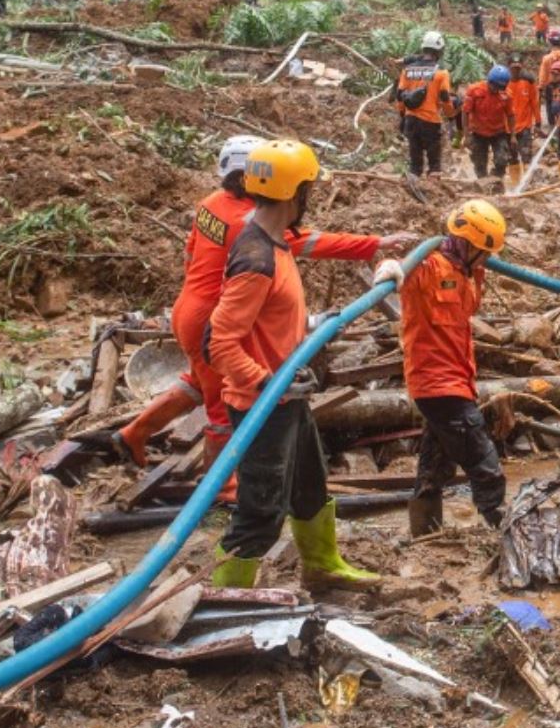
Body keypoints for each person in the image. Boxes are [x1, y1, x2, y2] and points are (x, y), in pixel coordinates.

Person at [102, 138, 413, 491]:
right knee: (221, 404)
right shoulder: (250, 227)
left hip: (188, 306)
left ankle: (134, 433)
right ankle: (223, 485)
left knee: (198, 384)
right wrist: (374, 245)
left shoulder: (211, 205)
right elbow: (309, 242)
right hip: (211, 317)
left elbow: (190, 253)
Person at [206, 141, 383, 591]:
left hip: (287, 393)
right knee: (260, 515)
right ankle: (223, 599)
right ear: (294, 193)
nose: (310, 197)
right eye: (308, 189)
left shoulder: (275, 240)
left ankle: (322, 567)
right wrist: (265, 381)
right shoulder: (257, 260)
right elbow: (219, 342)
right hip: (262, 403)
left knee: (309, 488)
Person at [375, 200, 509, 537]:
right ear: (466, 244)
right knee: (483, 461)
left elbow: (470, 301)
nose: (488, 260)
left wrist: (478, 266)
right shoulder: (429, 267)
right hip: (437, 385)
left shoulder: (468, 273)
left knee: (436, 464)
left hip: (458, 380)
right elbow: (400, 270)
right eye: (484, 253)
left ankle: (424, 534)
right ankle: (506, 527)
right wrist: (390, 264)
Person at [390, 33, 455, 177]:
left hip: (411, 119)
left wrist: (402, 116)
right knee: (434, 164)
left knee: (415, 162)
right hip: (431, 121)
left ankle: (413, 191)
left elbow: (400, 96)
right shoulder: (441, 73)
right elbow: (445, 97)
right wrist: (451, 116)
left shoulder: (407, 70)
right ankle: (435, 194)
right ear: (439, 51)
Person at [461, 65, 515, 179]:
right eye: (494, 86)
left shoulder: (506, 95)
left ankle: (495, 180)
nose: (496, 89)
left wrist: (513, 135)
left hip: (498, 133)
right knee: (479, 164)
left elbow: (510, 115)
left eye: (499, 87)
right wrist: (466, 135)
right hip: (478, 132)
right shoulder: (474, 90)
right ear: (489, 81)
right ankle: (483, 183)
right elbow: (465, 112)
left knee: (502, 160)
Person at [507, 59, 538, 166]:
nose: (516, 70)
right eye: (513, 68)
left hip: (525, 126)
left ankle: (527, 181)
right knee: (511, 159)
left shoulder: (528, 83)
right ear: (509, 68)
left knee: (526, 156)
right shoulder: (503, 83)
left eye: (518, 68)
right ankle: (514, 181)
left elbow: (535, 103)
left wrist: (538, 121)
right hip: (508, 128)